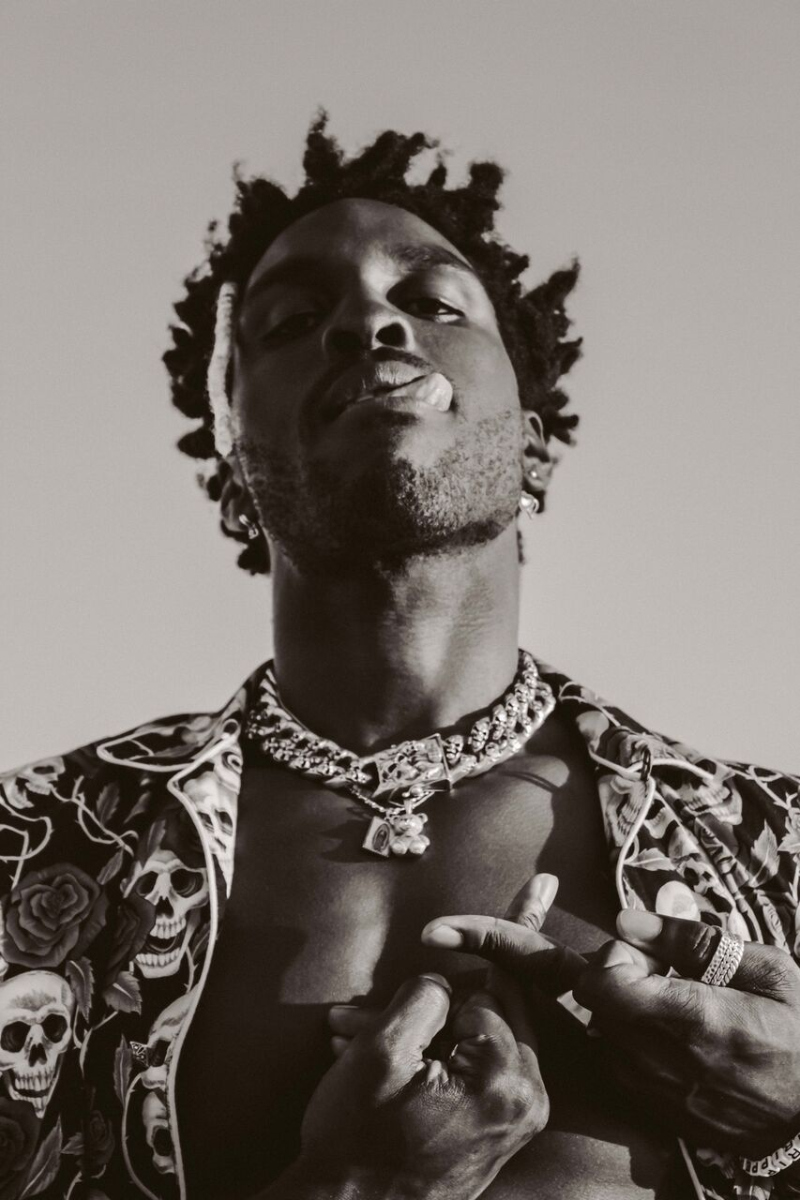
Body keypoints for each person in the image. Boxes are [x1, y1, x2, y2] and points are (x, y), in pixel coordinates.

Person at [1, 114, 798, 1200]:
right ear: (234, 473)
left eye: (432, 302)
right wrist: (353, 1185)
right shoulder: (32, 853)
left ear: (534, 445)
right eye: (292, 322)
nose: (369, 321)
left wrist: (786, 1130)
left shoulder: (775, 850)